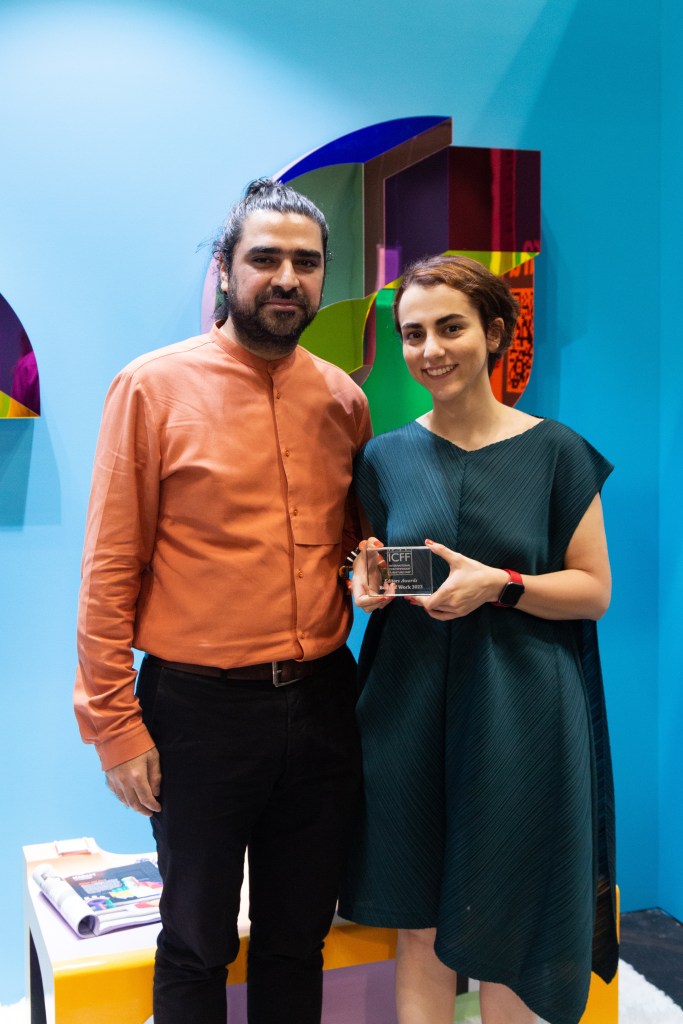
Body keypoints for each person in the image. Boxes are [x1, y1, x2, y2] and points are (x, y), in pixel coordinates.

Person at [74, 179, 372, 1024]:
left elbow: (353, 549)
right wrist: (114, 724)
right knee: (197, 940)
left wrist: (379, 571)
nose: (286, 279)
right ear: (225, 268)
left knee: (297, 937)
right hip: (198, 713)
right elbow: (108, 568)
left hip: (323, 704)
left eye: (305, 263)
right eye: (264, 258)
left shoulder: (342, 400)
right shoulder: (151, 388)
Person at [338, 254, 618, 1024]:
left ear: (493, 334)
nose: (430, 349)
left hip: (522, 715)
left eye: (450, 328)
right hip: (406, 712)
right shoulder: (383, 458)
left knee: (511, 922)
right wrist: (364, 584)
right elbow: (377, 566)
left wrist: (500, 583)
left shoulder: (557, 452)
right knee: (419, 923)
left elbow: (592, 591)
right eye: (413, 334)